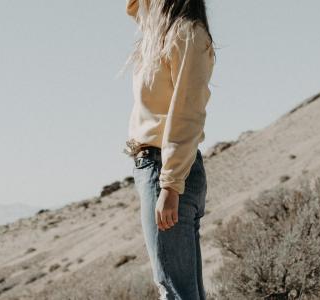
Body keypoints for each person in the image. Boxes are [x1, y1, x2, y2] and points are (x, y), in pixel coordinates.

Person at [121, 0, 216, 299]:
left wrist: (170, 185)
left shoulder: (186, 34)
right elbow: (136, 8)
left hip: (167, 169)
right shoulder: (158, 32)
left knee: (175, 292)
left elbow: (187, 114)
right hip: (157, 168)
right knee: (183, 292)